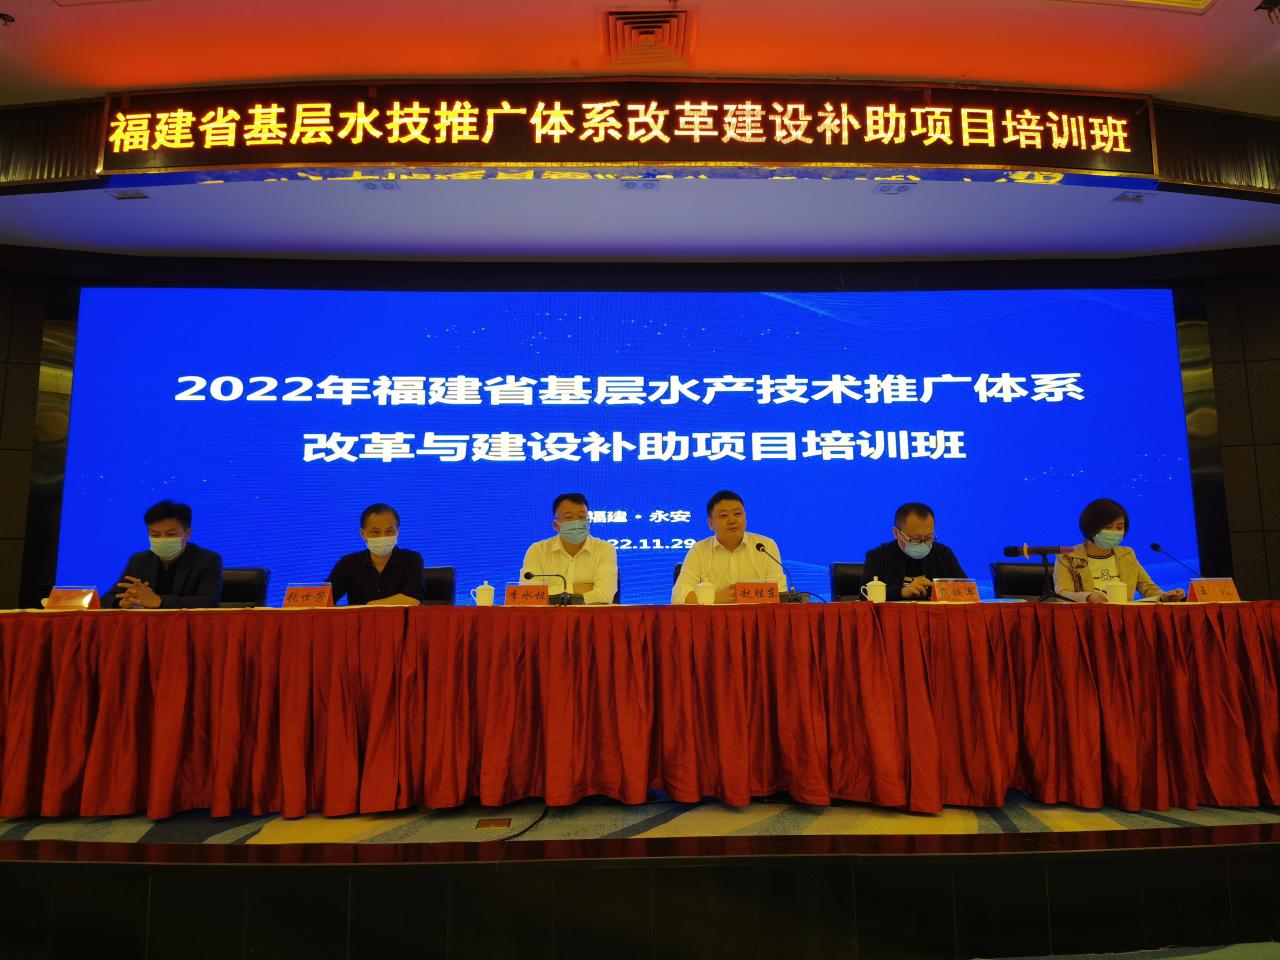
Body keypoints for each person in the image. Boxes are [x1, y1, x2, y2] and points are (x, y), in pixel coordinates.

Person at [1054, 498, 1185, 603]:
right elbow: (1063, 594)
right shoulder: (1068, 556)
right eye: (1108, 527)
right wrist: (1088, 597)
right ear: (1090, 527)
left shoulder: (1126, 554)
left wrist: (1166, 596)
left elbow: (1148, 588)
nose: (1114, 532)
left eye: (1119, 527)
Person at [104, 499, 223, 609]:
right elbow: (107, 599)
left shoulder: (208, 560)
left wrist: (159, 601)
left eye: (170, 534)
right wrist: (122, 602)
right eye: (155, 535)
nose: (163, 539)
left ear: (187, 533)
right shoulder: (139, 561)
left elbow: (209, 602)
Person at [672, 490, 787, 604]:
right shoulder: (699, 550)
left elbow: (780, 594)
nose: (732, 520)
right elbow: (679, 597)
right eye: (724, 515)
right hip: (714, 616)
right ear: (711, 524)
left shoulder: (765, 547)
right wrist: (717, 597)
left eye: (737, 514)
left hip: (758, 615)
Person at [520, 493, 618, 604]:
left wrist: (551, 595)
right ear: (556, 525)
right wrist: (576, 589)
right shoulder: (538, 551)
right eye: (569, 517)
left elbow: (604, 595)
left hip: (591, 615)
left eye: (581, 517)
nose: (576, 522)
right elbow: (528, 596)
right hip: (549, 615)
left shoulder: (604, 549)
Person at [861, 502, 967, 601]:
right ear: (896, 533)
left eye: (928, 537)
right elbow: (865, 595)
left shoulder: (943, 554)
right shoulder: (878, 556)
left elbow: (966, 591)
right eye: (915, 539)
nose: (923, 543)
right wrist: (901, 592)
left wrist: (933, 590)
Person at [325, 503, 424, 606]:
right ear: (363, 533)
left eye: (389, 531)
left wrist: (369, 607)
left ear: (398, 531)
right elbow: (324, 599)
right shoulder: (348, 563)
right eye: (375, 532)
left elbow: (413, 599)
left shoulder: (412, 559)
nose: (383, 537)